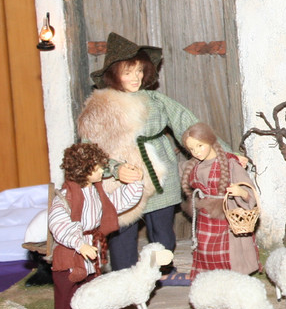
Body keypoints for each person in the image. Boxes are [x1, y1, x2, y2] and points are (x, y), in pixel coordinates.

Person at [77, 32, 239, 284]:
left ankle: (162, 271)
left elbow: (190, 125)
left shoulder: (156, 100)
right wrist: (114, 169)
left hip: (160, 175)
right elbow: (89, 151)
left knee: (163, 232)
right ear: (114, 74)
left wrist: (227, 155)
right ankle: (125, 280)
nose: (136, 77)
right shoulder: (100, 107)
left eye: (139, 71)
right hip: (122, 182)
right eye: (128, 72)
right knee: (123, 233)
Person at [49, 142, 143, 309]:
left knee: (88, 283)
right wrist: (79, 244)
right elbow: (58, 223)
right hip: (70, 251)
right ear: (83, 170)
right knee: (68, 287)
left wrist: (135, 182)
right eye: (97, 167)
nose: (102, 170)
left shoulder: (95, 192)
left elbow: (116, 202)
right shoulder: (66, 197)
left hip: (90, 244)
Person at [181, 122, 260, 278]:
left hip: (227, 216)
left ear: (210, 141)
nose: (196, 151)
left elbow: (249, 190)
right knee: (206, 252)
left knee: (229, 254)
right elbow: (177, 171)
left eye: (200, 146)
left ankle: (233, 279)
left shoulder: (230, 163)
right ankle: (208, 281)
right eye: (192, 149)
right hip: (205, 218)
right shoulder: (193, 166)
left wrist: (241, 193)